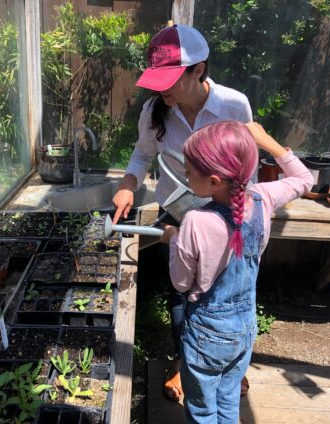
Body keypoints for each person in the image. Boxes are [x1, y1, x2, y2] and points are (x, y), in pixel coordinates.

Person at [112, 24, 253, 402]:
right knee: (182, 291)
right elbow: (143, 153)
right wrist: (128, 183)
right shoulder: (154, 111)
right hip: (177, 212)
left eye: (170, 79)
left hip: (224, 216)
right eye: (157, 80)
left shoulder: (233, 105)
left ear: (199, 69)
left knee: (227, 291)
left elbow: (246, 162)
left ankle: (231, 364)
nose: (162, 89)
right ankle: (183, 361)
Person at [160, 121, 314, 423]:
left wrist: (174, 238)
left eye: (190, 173)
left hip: (207, 332)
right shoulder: (262, 197)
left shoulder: (194, 221)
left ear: (215, 181)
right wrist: (267, 139)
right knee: (228, 400)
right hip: (244, 328)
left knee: (203, 410)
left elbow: (180, 283)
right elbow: (305, 178)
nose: (187, 177)